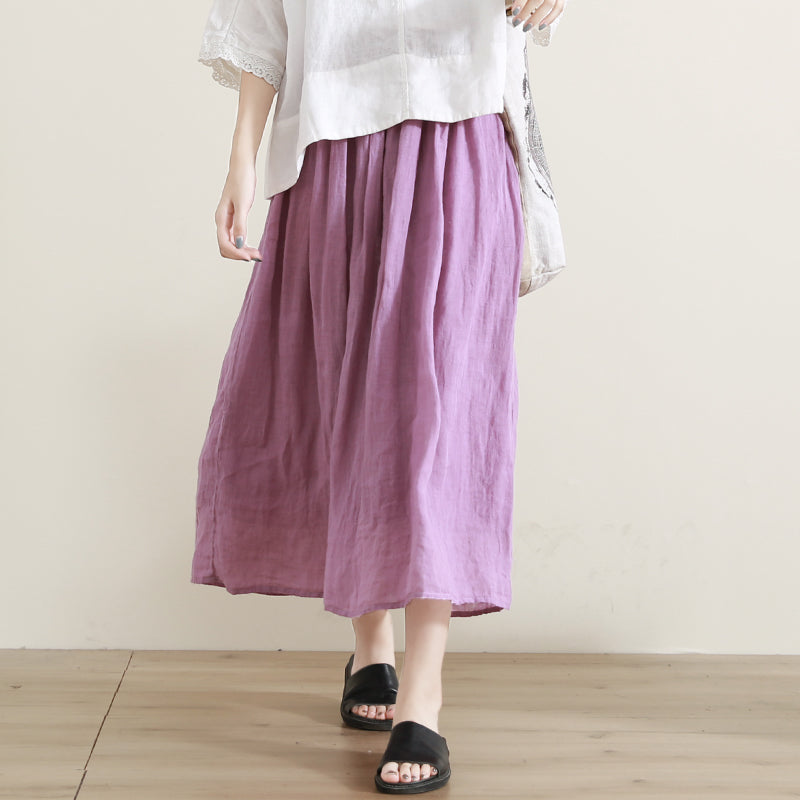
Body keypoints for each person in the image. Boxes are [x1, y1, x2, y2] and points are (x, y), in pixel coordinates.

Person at [191, 0, 568, 793]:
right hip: (330, 143)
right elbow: (262, 20)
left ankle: (422, 697)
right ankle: (373, 647)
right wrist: (241, 157)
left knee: (442, 417)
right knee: (350, 400)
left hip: (459, 133)